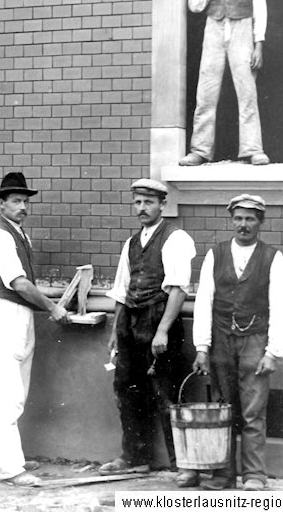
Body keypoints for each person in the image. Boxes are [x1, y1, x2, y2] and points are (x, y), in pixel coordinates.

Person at [189, 194, 283, 491]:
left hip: (255, 340)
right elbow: (203, 303)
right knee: (223, 408)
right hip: (220, 340)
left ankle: (254, 475)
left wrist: (273, 352)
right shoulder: (215, 254)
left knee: (252, 411)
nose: (243, 225)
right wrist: (202, 347)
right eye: (238, 218)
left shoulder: (273, 257)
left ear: (260, 222)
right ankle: (223, 473)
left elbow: (280, 307)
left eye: (250, 219)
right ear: (231, 220)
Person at [100, 179, 195, 482]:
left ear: (162, 205)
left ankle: (182, 464)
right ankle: (135, 457)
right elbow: (122, 290)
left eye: (148, 202)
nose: (142, 208)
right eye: (138, 202)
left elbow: (179, 289)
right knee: (127, 390)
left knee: (166, 392)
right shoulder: (131, 243)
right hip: (131, 323)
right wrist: (117, 331)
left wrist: (163, 331)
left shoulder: (175, 238)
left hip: (159, 321)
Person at [0, 172, 69, 487]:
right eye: (16, 201)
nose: (23, 207)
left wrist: (58, 297)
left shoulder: (19, 235)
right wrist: (53, 307)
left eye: (25, 201)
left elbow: (26, 284)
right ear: (1, 204)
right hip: (3, 315)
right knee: (10, 395)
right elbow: (17, 283)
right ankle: (11, 468)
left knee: (10, 391)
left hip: (19, 316)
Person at [180, 0, 269, 167]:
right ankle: (199, 150)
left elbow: (260, 10)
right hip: (214, 29)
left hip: (242, 30)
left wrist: (258, 44)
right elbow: (196, 5)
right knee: (206, 91)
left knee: (246, 91)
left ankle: (253, 149)